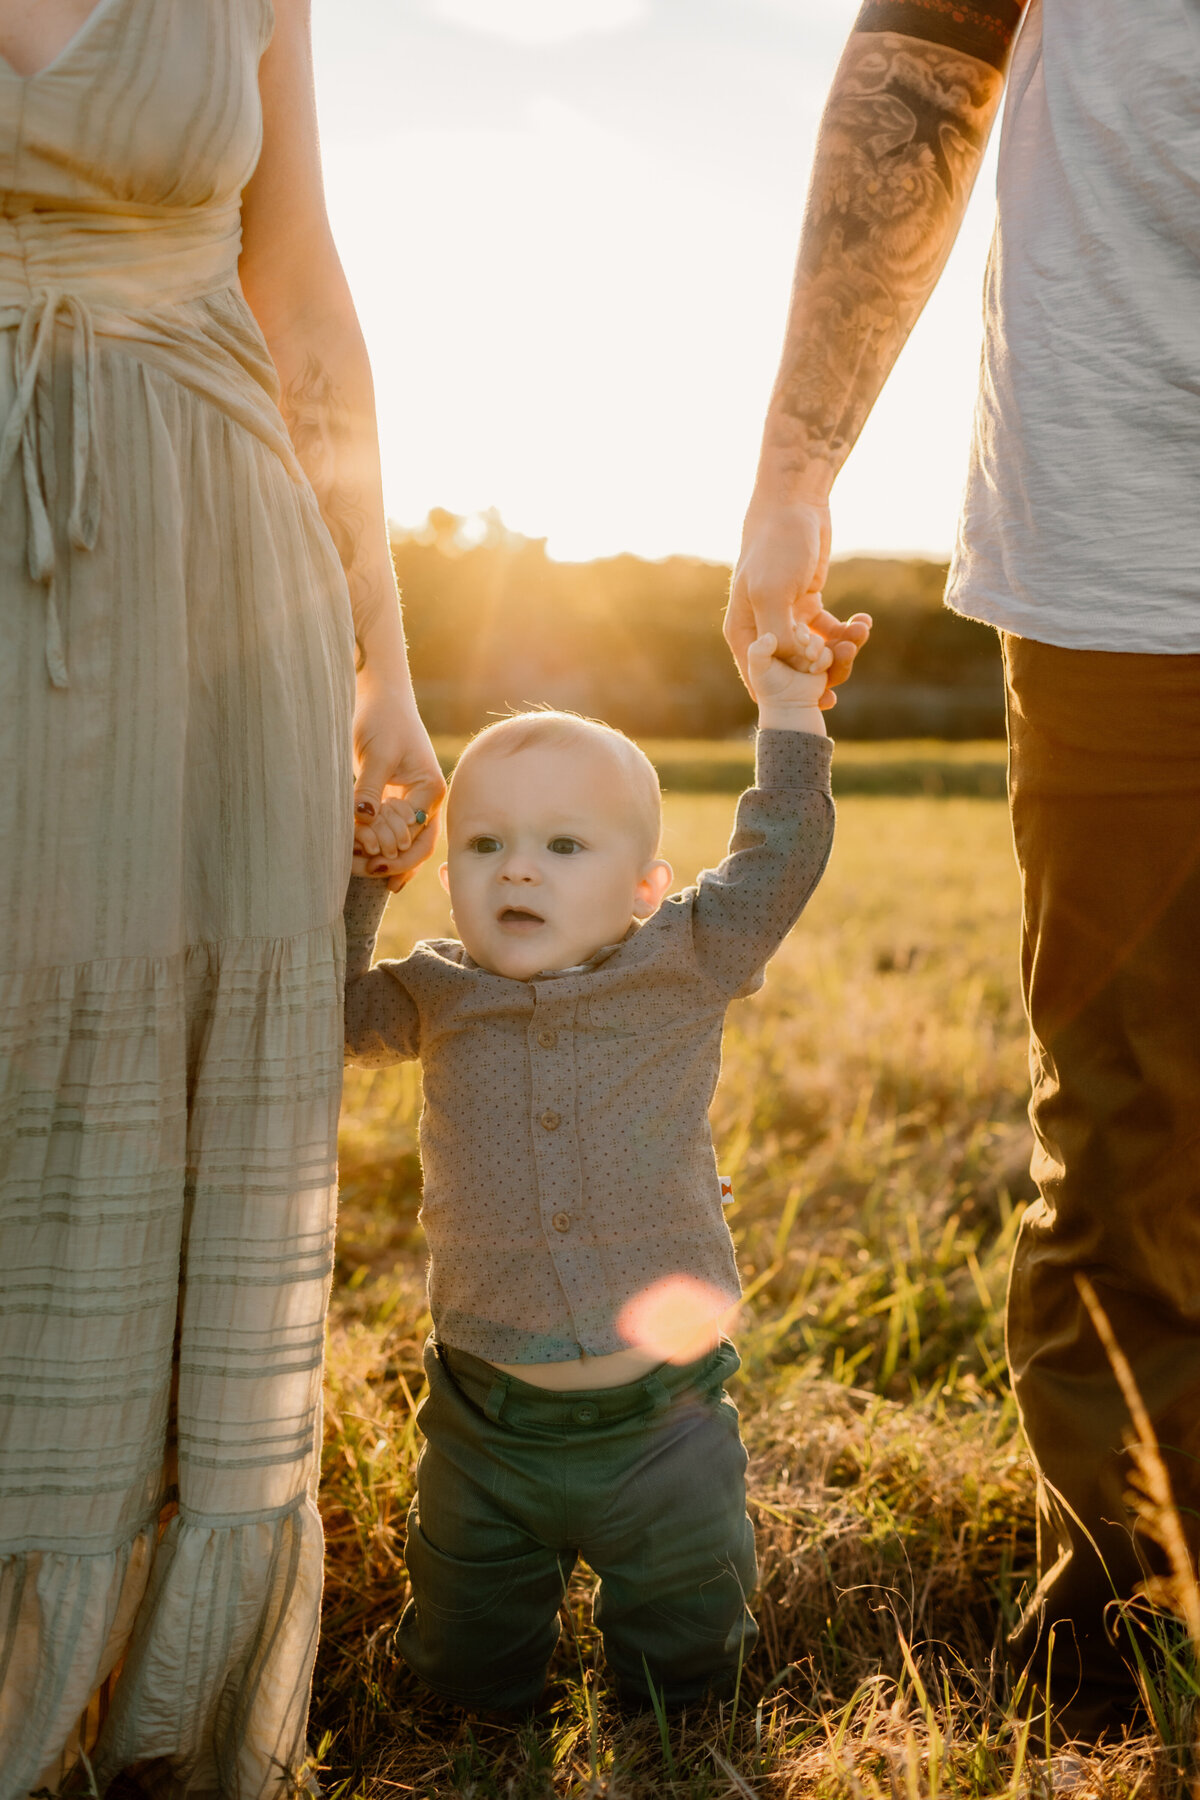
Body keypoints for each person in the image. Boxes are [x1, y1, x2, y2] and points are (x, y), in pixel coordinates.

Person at [727, 0, 1200, 1743]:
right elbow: (929, 58)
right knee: (1130, 1119)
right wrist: (798, 462)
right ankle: (1130, 1631)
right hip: (1127, 536)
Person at [0, 0, 442, 1791]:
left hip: (217, 543)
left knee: (198, 1119)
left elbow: (303, 287)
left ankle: (154, 1704)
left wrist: (382, 653)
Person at [341, 623, 855, 1711]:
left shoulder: (687, 957)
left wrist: (790, 711)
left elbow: (782, 856)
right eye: (484, 846)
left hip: (664, 1425)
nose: (518, 866)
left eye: (565, 848)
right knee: (462, 1674)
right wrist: (368, 879)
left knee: (685, 1661)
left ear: (642, 885)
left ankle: (676, 1721)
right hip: (484, 1431)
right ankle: (483, 1714)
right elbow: (327, 1016)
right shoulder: (437, 994)